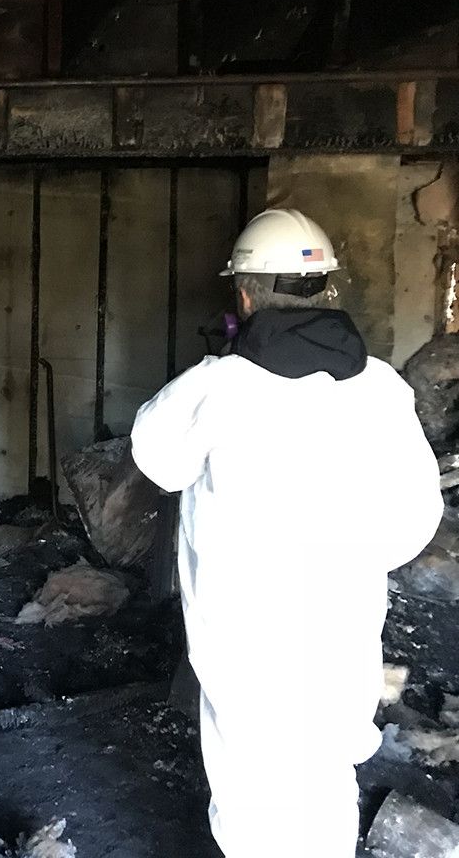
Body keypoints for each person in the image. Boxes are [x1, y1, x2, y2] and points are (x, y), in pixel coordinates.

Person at [130, 208, 442, 858]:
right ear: (325, 289)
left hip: (246, 646)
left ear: (243, 293)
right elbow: (415, 522)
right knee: (327, 787)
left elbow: (156, 460)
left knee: (252, 801)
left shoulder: (218, 387)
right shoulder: (381, 389)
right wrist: (345, 558)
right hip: (338, 638)